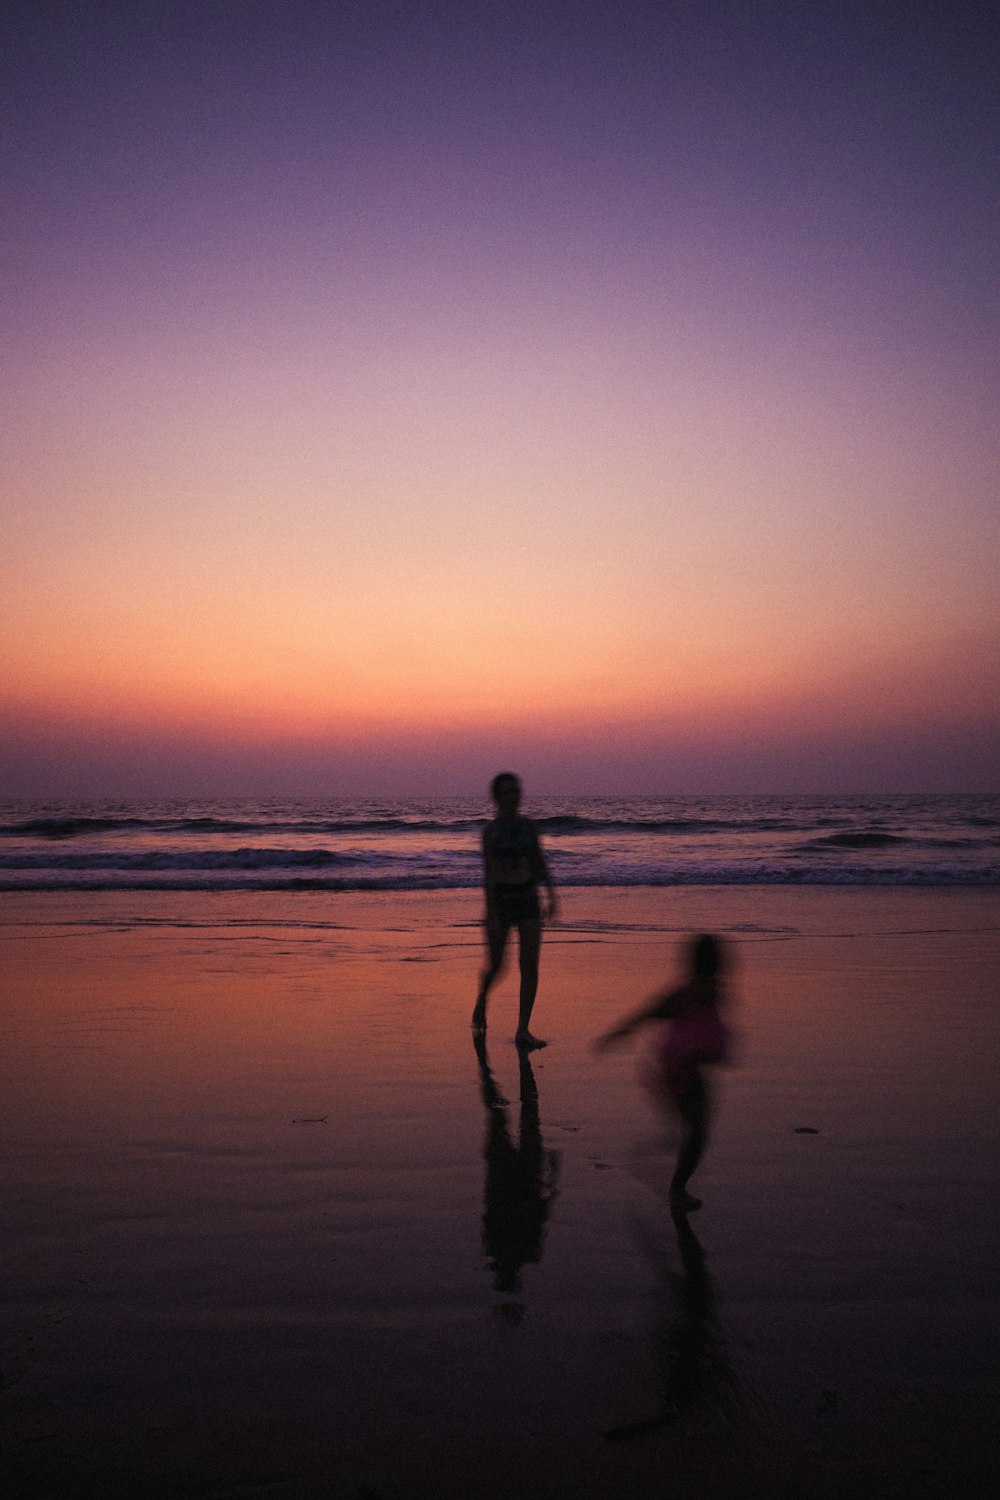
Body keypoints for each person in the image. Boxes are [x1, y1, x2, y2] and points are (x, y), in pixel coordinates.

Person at [593, 933, 731, 1211]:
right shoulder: (697, 993)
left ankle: (676, 1177)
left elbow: (648, 1013)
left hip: (675, 1068)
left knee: (695, 1131)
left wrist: (616, 1035)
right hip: (680, 1069)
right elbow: (651, 1012)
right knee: (698, 1133)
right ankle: (677, 1189)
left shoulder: (701, 992)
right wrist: (615, 1035)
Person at [471, 772, 557, 1048]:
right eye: (507, 792)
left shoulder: (528, 827)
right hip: (502, 900)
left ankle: (523, 1029)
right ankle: (482, 998)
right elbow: (489, 876)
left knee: (529, 966)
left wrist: (552, 894)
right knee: (497, 966)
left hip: (528, 897)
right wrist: (492, 913)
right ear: (497, 797)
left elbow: (539, 861)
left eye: (515, 791)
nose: (513, 796)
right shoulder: (491, 832)